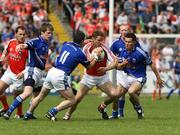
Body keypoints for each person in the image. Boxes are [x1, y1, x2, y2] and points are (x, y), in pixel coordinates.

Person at [23, 30, 100, 121]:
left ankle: (28, 113)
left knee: (40, 96)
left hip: (52, 72)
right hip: (61, 75)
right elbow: (89, 66)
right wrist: (96, 57)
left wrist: (84, 42)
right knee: (72, 100)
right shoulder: (80, 53)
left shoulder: (67, 44)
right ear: (82, 41)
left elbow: (79, 52)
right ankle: (53, 111)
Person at [98, 33, 164, 119]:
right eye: (126, 42)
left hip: (139, 77)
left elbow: (152, 65)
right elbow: (117, 66)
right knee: (115, 95)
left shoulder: (141, 53)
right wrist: (107, 68)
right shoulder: (122, 52)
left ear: (134, 42)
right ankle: (102, 106)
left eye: (129, 42)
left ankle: (139, 108)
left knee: (131, 92)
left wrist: (158, 78)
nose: (127, 44)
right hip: (126, 77)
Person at [2, 23, 54, 120]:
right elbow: (27, 45)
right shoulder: (35, 41)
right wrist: (21, 46)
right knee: (27, 93)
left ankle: (29, 113)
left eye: (51, 33)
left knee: (38, 95)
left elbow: (42, 58)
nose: (50, 35)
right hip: (31, 71)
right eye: (48, 33)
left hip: (38, 72)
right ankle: (8, 111)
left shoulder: (46, 44)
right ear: (42, 33)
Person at [63, 30, 119, 120]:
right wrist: (96, 56)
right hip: (88, 78)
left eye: (103, 40)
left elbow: (115, 60)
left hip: (102, 78)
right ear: (93, 39)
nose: (102, 43)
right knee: (77, 99)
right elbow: (88, 63)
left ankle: (102, 106)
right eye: (99, 40)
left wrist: (106, 68)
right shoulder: (86, 48)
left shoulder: (104, 48)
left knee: (115, 94)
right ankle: (67, 115)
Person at [109, 24, 142, 119]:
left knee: (133, 95)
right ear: (119, 31)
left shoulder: (134, 42)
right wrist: (116, 61)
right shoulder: (116, 44)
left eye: (126, 30)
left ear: (129, 31)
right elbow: (110, 54)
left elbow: (140, 54)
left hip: (132, 71)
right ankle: (119, 113)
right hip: (121, 70)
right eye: (122, 30)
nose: (124, 32)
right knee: (120, 94)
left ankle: (138, 109)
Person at [0, 26, 28, 118]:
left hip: (19, 75)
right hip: (9, 71)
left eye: (24, 34)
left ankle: (19, 113)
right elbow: (6, 50)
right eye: (20, 34)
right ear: (15, 34)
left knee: (17, 95)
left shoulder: (27, 47)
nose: (22, 36)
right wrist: (4, 55)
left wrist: (23, 73)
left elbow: (31, 63)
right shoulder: (11, 42)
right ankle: (6, 107)